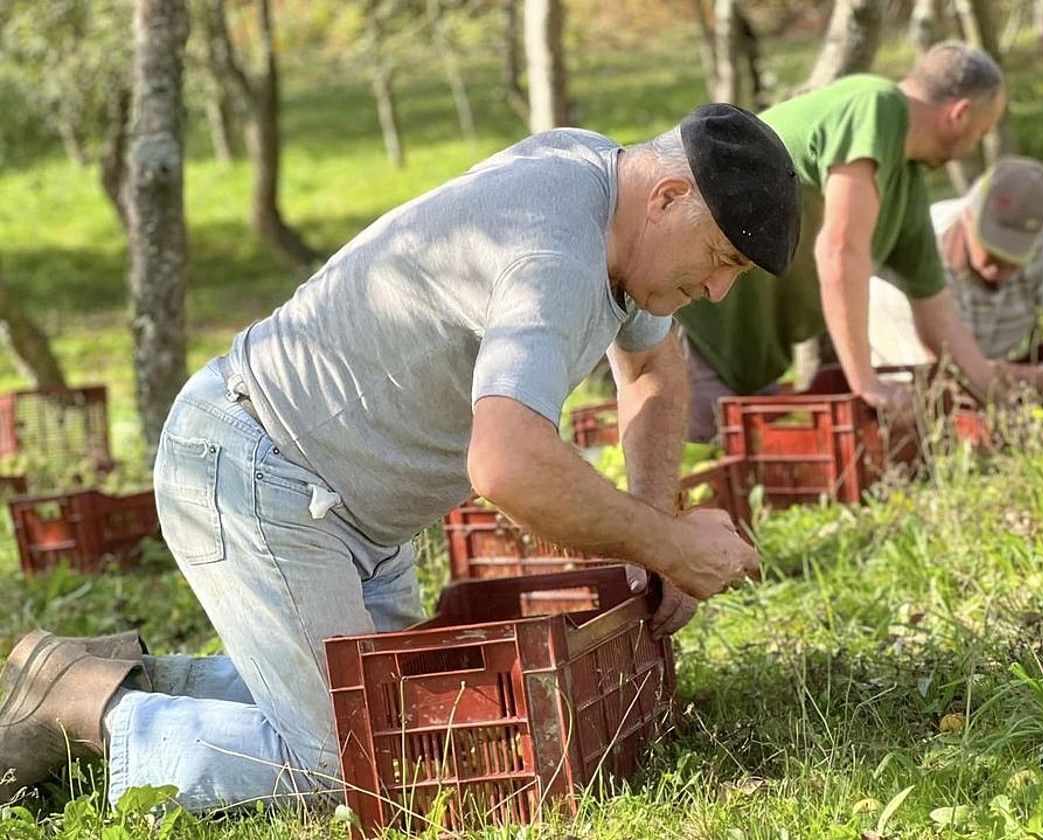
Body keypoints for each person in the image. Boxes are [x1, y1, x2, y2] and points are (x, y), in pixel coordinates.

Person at [0, 104, 802, 808]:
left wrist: (660, 522)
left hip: (349, 502)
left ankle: (66, 674)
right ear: (666, 198)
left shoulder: (608, 183)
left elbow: (654, 365)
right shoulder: (553, 256)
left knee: (400, 715)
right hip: (258, 468)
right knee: (347, 767)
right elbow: (508, 467)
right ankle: (92, 711)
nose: (720, 290)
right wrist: (667, 547)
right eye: (723, 260)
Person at [677, 42, 1043, 442]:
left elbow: (940, 322)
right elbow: (838, 251)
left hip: (750, 360)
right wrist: (865, 382)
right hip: (693, 321)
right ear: (961, 115)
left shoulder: (908, 187)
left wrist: (1003, 403)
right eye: (982, 133)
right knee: (688, 487)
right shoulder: (875, 105)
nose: (974, 145)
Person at [867, 156, 1043, 407]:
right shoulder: (918, 249)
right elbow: (946, 373)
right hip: (908, 394)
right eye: (992, 248)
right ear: (969, 215)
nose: (999, 266)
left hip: (1002, 381)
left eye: (1014, 255)